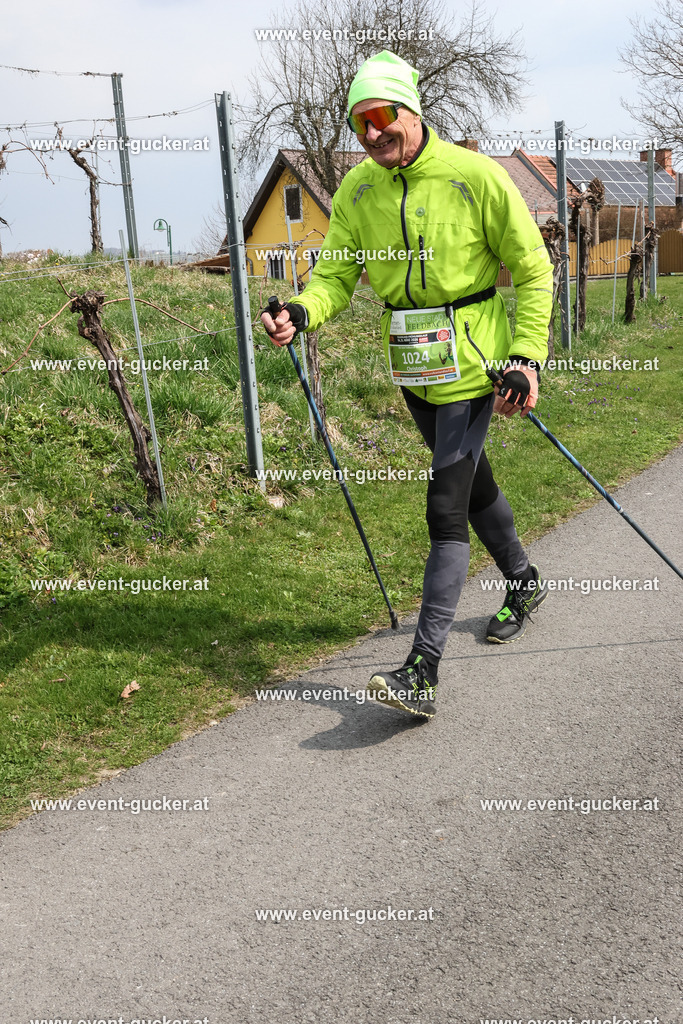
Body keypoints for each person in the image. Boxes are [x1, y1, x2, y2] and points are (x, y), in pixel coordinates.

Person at [261, 50, 553, 720]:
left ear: (411, 111)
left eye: (381, 117)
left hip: (474, 363)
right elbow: (336, 276)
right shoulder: (359, 193)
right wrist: (300, 311)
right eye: (358, 122)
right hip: (413, 367)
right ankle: (524, 581)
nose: (370, 133)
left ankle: (421, 669)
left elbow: (531, 270)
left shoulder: (473, 176)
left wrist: (524, 359)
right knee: (471, 485)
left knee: (444, 507)